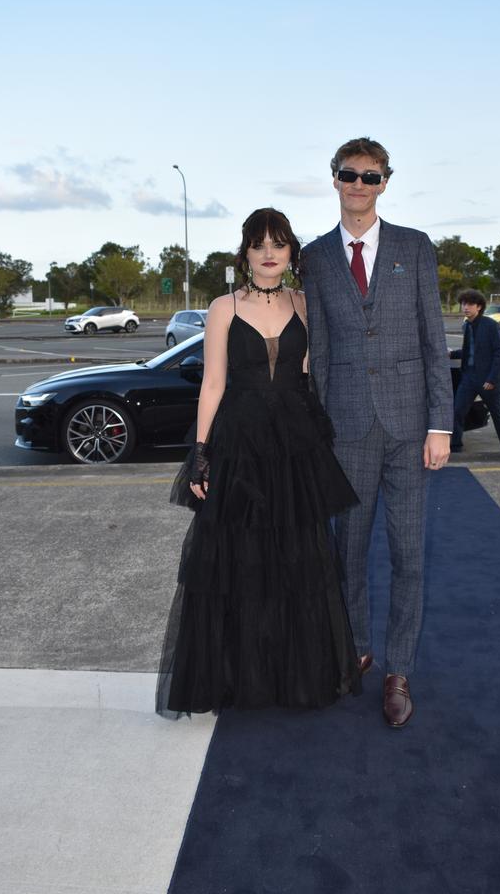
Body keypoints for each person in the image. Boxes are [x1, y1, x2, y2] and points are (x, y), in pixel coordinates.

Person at [156, 208, 361, 717]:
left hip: (294, 447)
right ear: (245, 252)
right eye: (259, 243)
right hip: (239, 445)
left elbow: (310, 376)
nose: (269, 252)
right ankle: (238, 678)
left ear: (292, 253)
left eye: (279, 243)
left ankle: (294, 676)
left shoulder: (305, 303)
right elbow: (213, 383)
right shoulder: (222, 307)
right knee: (240, 562)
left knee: (298, 561)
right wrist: (201, 457)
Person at [302, 137, 453, 729]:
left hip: (410, 427)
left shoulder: (414, 249)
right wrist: (317, 429)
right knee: (349, 553)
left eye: (370, 176)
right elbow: (320, 348)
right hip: (347, 427)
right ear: (334, 179)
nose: (358, 185)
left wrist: (440, 423)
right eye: (349, 175)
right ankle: (357, 648)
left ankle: (399, 669)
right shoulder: (315, 258)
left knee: (410, 556)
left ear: (386, 182)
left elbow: (432, 342)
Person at [449, 289, 500, 453]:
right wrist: (451, 354)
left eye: (470, 304)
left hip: (487, 379)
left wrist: (492, 379)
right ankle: (455, 446)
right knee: (457, 411)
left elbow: (499, 353)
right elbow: (470, 351)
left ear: (479, 307)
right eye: (463, 304)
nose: (465, 307)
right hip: (468, 378)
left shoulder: (490, 325)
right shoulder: (467, 325)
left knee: (497, 414)